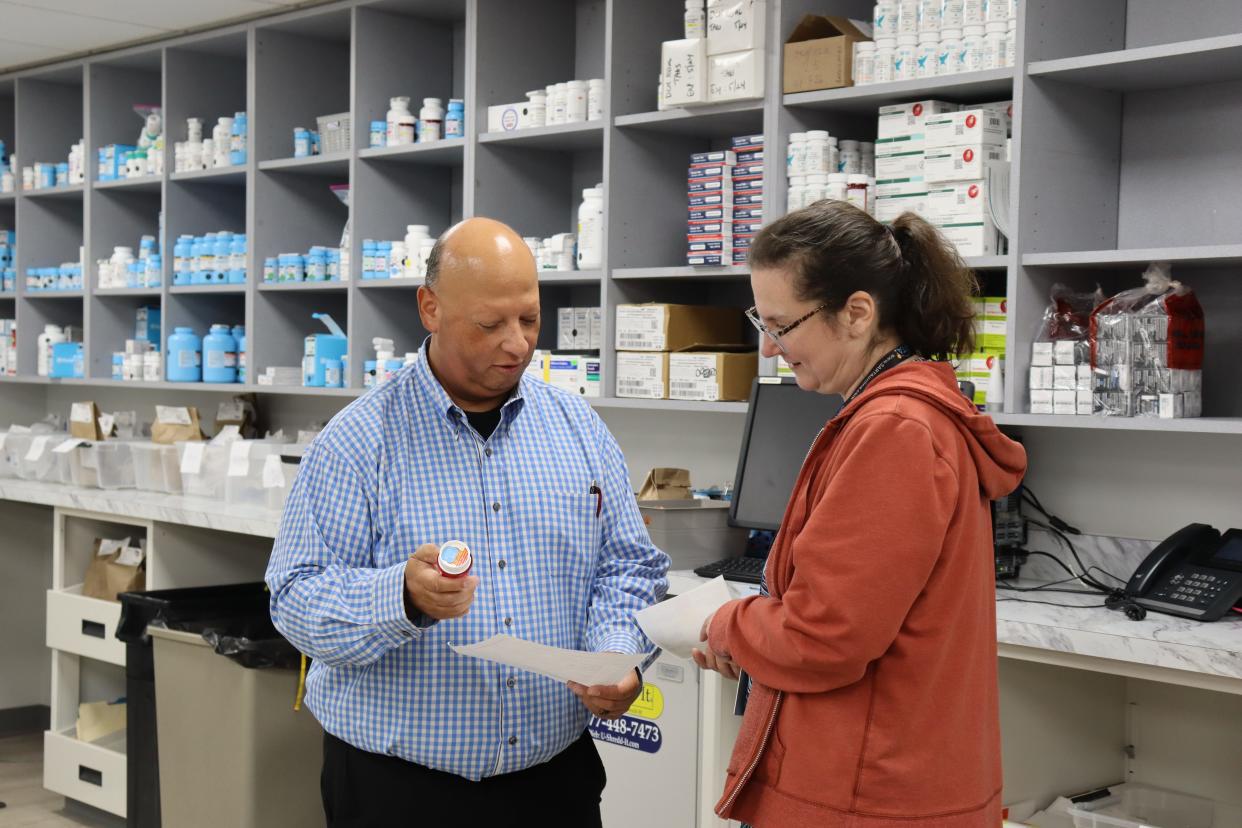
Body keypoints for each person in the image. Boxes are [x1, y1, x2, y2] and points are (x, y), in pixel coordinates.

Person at [267, 217, 669, 827]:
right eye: (490, 324)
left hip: (553, 784)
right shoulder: (358, 441)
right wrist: (399, 594)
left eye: (530, 320)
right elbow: (295, 597)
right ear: (430, 308)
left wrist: (616, 654)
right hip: (399, 791)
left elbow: (628, 566)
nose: (517, 345)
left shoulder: (578, 429)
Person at [693, 200, 1027, 827]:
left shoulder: (894, 430)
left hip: (865, 794)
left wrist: (728, 624)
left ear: (857, 313)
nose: (770, 350)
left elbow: (825, 638)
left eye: (782, 326)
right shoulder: (901, 415)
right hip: (886, 782)